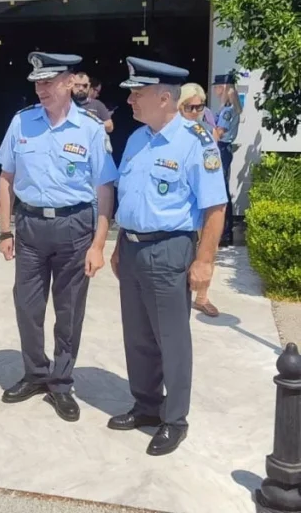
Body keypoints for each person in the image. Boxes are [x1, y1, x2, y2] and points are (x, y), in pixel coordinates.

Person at [109, 57, 227, 456]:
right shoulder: (137, 139)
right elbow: (130, 198)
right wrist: (119, 244)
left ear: (164, 98)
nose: (130, 100)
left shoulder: (196, 142)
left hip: (169, 248)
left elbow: (215, 207)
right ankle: (146, 405)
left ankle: (174, 419)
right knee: (137, 335)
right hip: (132, 247)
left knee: (171, 339)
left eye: (137, 94)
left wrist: (204, 261)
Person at [0, 53, 118, 422]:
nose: (41, 89)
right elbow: (6, 177)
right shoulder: (21, 122)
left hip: (74, 227)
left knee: (69, 309)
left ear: (69, 82)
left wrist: (99, 244)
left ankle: (61, 382)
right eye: (37, 83)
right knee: (27, 306)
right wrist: (4, 229)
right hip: (30, 226)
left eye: (48, 82)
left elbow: (105, 188)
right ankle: (35, 373)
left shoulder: (90, 128)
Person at [178, 83, 220, 317]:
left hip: (202, 201)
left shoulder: (205, 133)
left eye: (199, 107)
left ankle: (202, 296)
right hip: (181, 207)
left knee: (207, 245)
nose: (195, 112)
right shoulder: (170, 130)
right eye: (189, 107)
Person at [212, 73, 243, 247]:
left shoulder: (227, 110)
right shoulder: (227, 108)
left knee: (220, 190)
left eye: (217, 87)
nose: (215, 90)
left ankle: (224, 232)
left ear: (223, 88)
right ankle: (225, 232)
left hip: (222, 149)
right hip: (224, 149)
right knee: (222, 189)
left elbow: (219, 133)